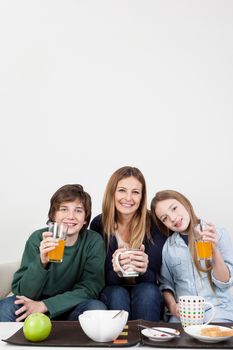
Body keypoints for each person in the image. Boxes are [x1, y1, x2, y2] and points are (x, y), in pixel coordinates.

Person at [0, 184, 107, 322]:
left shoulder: (93, 241)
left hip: (71, 306)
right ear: (54, 215)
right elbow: (23, 293)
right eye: (64, 209)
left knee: (96, 308)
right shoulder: (38, 238)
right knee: (6, 308)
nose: (71, 216)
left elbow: (89, 289)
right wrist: (41, 262)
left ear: (85, 218)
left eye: (78, 211)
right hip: (34, 305)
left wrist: (46, 305)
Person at [90, 166, 167, 321]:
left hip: (146, 289)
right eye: (122, 190)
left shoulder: (154, 224)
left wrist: (144, 269)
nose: (128, 198)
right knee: (117, 293)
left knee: (148, 291)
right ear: (112, 192)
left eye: (135, 192)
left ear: (142, 196)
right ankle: (121, 343)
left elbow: (153, 279)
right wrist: (117, 271)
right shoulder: (99, 224)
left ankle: (147, 340)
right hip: (113, 289)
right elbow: (102, 278)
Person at [150, 189, 233, 322]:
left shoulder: (218, 234)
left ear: (185, 203)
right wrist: (172, 306)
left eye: (174, 208)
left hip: (219, 310)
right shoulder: (168, 248)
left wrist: (214, 251)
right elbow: (166, 285)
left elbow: (225, 283)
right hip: (184, 315)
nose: (172, 218)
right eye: (165, 218)